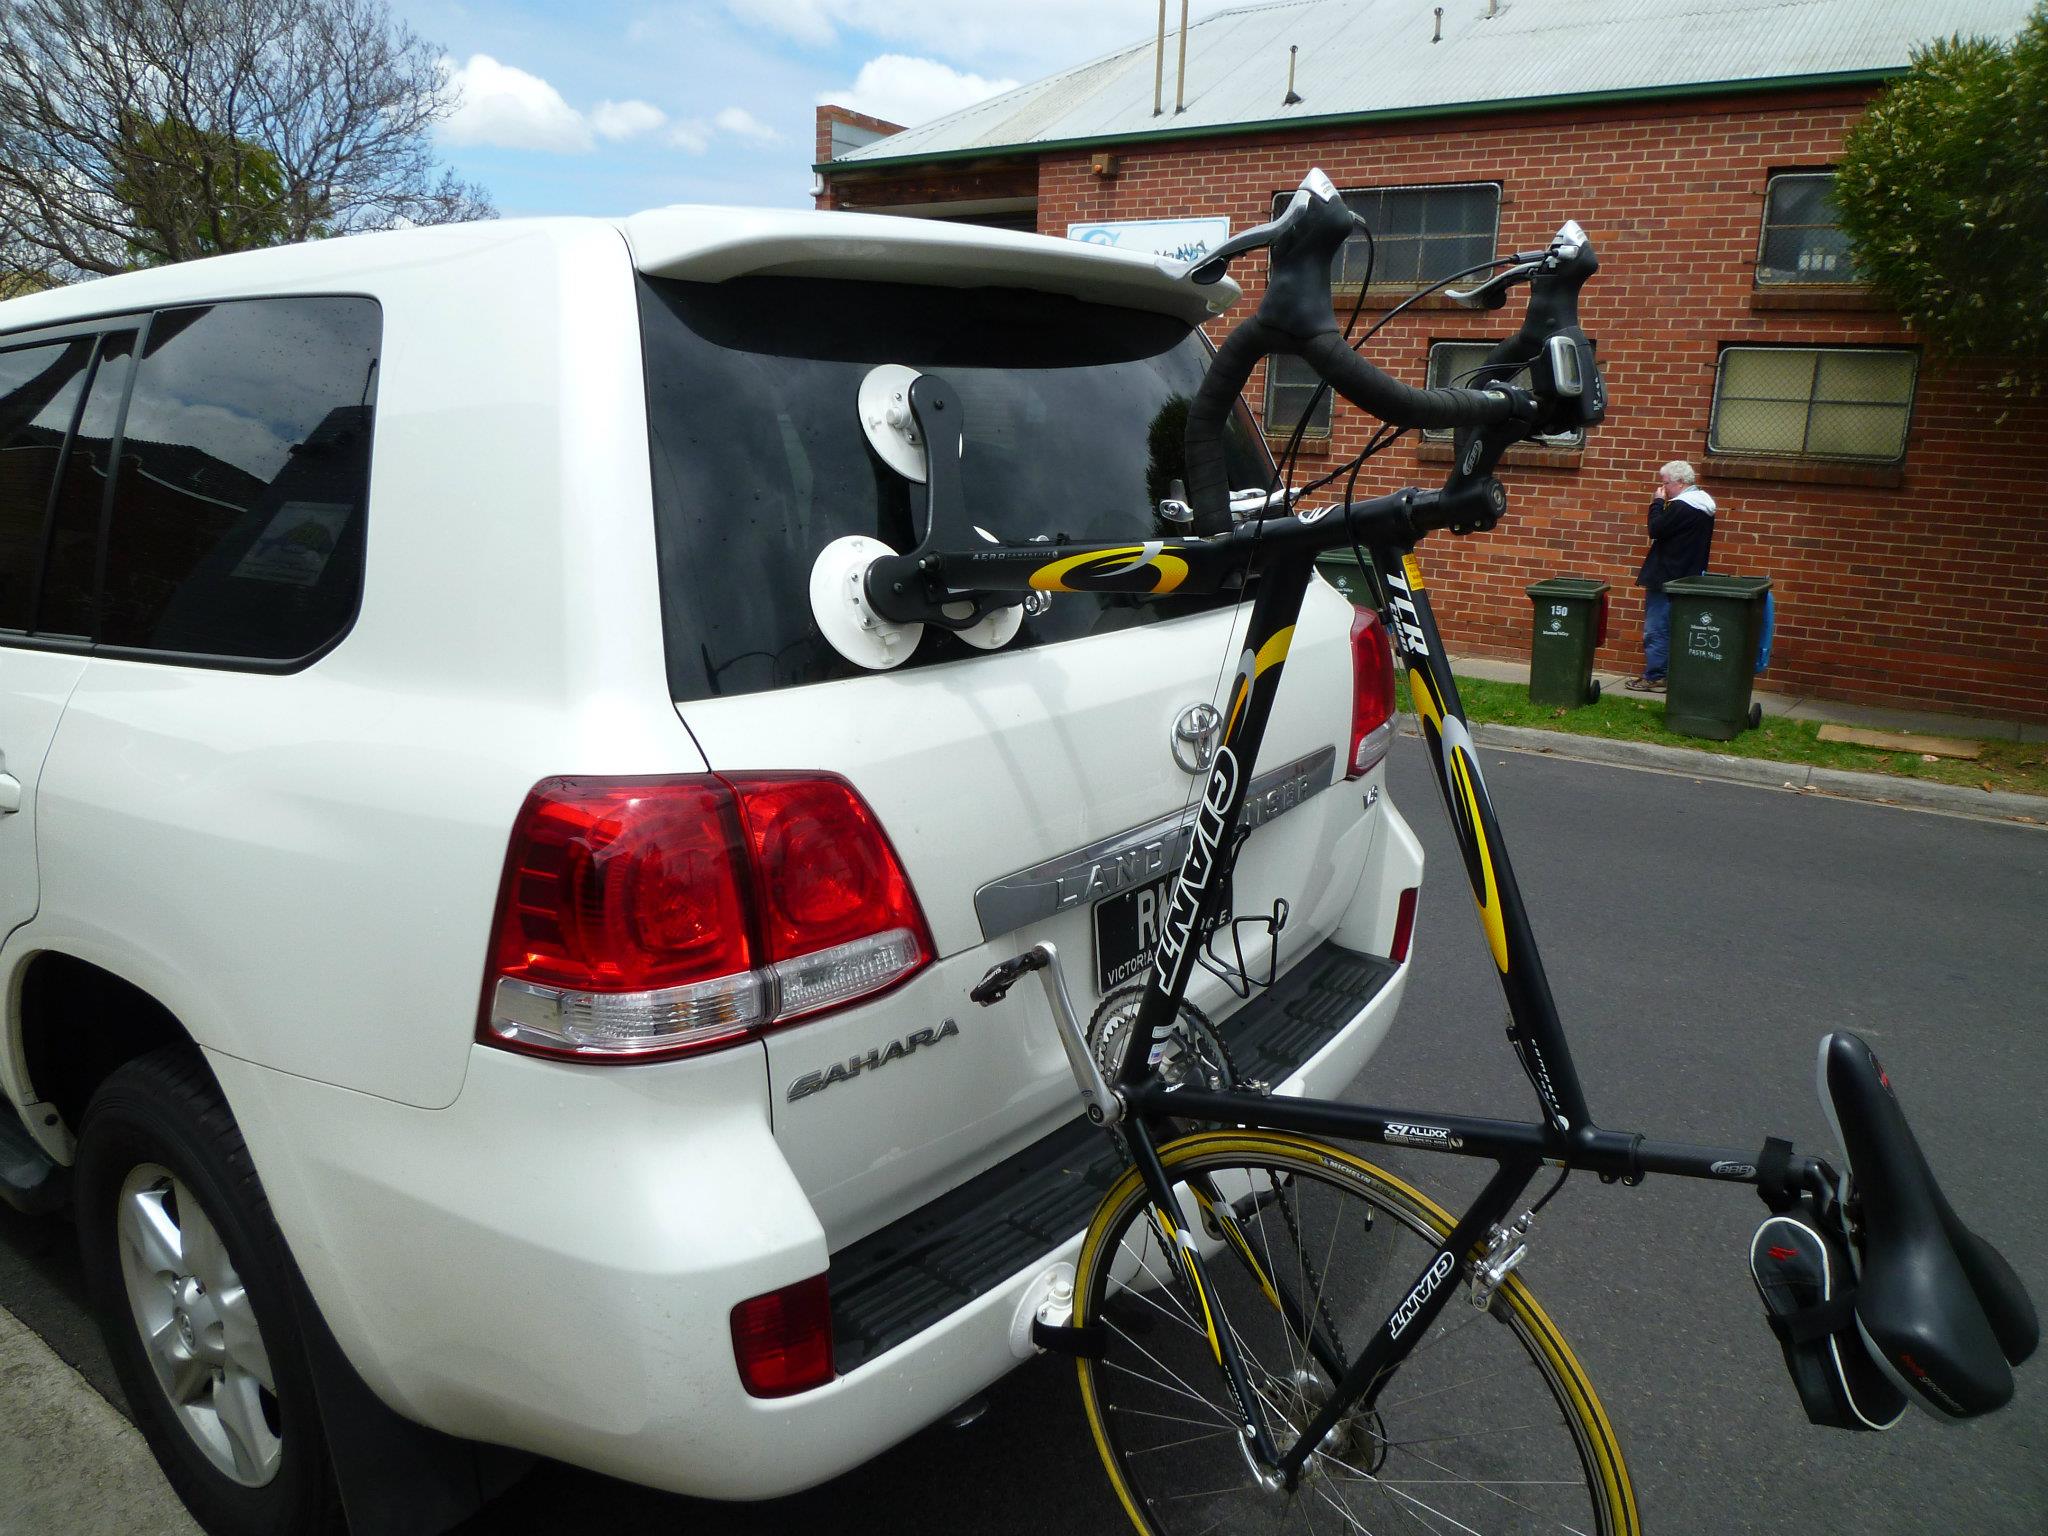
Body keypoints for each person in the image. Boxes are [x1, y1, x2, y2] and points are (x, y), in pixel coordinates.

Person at [1627, 460, 1716, 691]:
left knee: (1656, 628)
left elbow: (1655, 529)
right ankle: (1668, 675)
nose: (1662, 488)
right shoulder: (1703, 506)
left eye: (1665, 483)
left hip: (1665, 575)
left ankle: (1657, 676)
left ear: (1680, 482)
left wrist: (1657, 503)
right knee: (1675, 628)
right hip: (1686, 576)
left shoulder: (1682, 506)